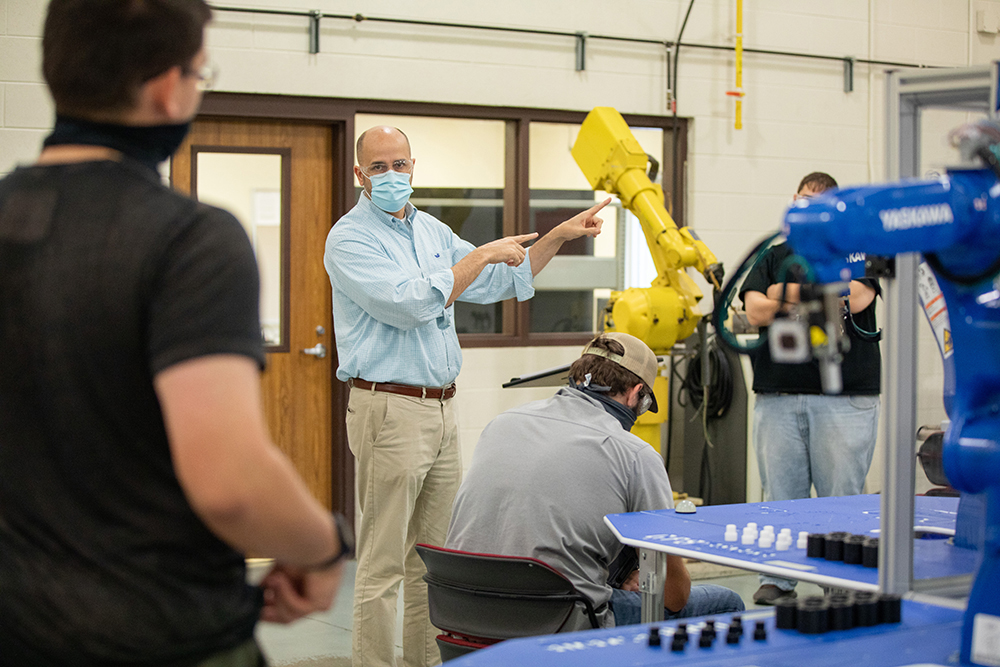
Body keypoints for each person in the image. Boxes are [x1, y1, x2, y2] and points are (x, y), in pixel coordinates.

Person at [0, 2, 351, 665]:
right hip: (160, 633)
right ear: (168, 85)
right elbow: (232, 482)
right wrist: (324, 545)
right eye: (200, 72)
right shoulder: (190, 239)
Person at [323, 125, 610, 667]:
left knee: (431, 563)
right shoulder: (350, 239)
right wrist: (479, 257)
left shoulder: (430, 231)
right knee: (383, 565)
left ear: (414, 167)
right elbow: (409, 304)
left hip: (442, 407)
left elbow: (502, 281)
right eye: (378, 167)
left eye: (399, 165)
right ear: (360, 175)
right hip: (389, 407)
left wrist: (557, 236)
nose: (391, 176)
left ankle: (424, 662)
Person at [446, 333, 745, 627]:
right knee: (726, 602)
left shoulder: (501, 423)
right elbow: (675, 596)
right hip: (555, 618)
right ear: (635, 393)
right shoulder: (635, 454)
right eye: (643, 406)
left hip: (461, 608)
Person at [740, 171, 881, 605]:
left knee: (839, 499)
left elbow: (857, 298)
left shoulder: (857, 250)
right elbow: (753, 308)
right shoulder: (772, 253)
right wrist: (815, 293)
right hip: (778, 395)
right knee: (782, 496)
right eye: (802, 200)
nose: (809, 210)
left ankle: (840, 583)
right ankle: (780, 580)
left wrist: (784, 292)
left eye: (819, 203)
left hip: (843, 399)